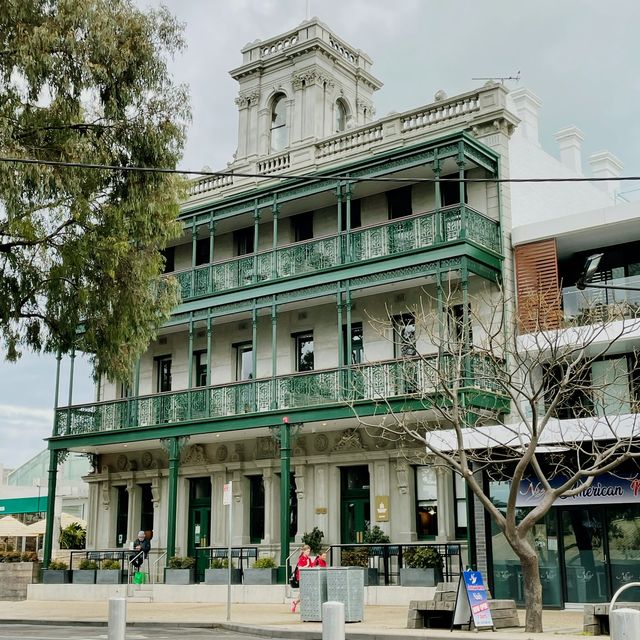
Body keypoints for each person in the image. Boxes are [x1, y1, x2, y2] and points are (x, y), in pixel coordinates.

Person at [291, 545, 312, 613]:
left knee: (304, 592)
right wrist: (307, 565)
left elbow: (311, 566)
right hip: (301, 577)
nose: (308, 552)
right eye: (307, 551)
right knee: (303, 592)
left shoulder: (308, 558)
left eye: (309, 551)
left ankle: (295, 602)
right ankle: (297, 603)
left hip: (307, 577)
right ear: (303, 551)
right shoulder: (301, 558)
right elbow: (300, 568)